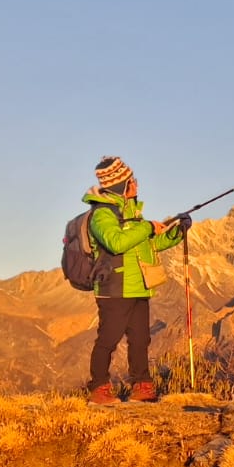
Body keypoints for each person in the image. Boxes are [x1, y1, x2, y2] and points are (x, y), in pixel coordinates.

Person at [83, 156, 191, 404]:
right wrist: (147, 228)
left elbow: (150, 244)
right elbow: (116, 242)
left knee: (140, 339)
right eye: (133, 181)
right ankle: (98, 388)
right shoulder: (101, 215)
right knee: (108, 340)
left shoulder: (132, 215)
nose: (137, 185)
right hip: (114, 288)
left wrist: (176, 231)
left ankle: (142, 387)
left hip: (138, 285)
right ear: (121, 184)